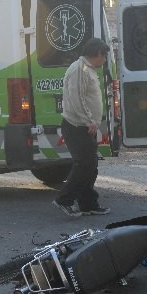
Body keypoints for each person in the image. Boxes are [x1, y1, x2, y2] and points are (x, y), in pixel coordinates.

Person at [52, 38, 111, 218]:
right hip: (77, 126)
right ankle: (64, 200)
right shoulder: (79, 69)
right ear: (98, 54)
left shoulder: (88, 69)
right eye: (105, 56)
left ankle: (88, 204)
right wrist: (89, 121)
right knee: (84, 165)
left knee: (90, 166)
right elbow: (77, 99)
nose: (105, 60)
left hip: (85, 127)